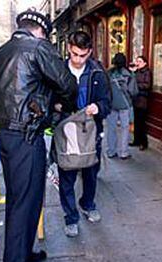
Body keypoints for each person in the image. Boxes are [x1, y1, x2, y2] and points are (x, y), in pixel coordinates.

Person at [0, 8, 78, 262]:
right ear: (40, 31)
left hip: (5, 133)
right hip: (26, 135)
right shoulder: (38, 49)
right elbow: (67, 84)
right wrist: (57, 104)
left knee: (19, 197)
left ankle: (22, 254)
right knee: (26, 201)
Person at [56, 30, 111, 237]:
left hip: (90, 131)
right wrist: (56, 106)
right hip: (66, 131)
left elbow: (108, 102)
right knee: (67, 175)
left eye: (83, 55)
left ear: (89, 52)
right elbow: (47, 98)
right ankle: (71, 217)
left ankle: (87, 203)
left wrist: (98, 107)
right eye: (75, 54)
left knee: (90, 173)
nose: (78, 60)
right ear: (69, 48)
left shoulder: (97, 72)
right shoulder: (58, 70)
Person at [107, 52, 138, 160]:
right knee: (125, 128)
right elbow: (133, 90)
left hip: (111, 104)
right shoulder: (128, 74)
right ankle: (123, 152)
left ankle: (111, 151)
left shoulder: (109, 73)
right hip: (125, 104)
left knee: (111, 128)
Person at [130, 56, 151, 151]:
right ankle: (136, 140)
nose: (137, 63)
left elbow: (147, 85)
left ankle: (143, 143)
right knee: (136, 122)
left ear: (145, 63)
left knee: (142, 123)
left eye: (140, 61)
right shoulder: (136, 72)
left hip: (143, 100)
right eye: (137, 61)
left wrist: (136, 85)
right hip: (136, 100)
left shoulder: (147, 72)